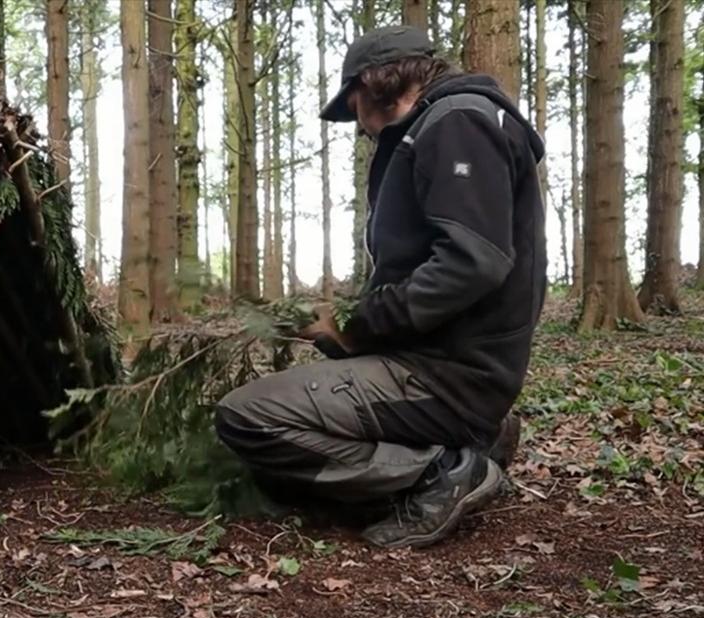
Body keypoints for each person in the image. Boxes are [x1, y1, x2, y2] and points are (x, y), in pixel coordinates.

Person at [214, 26, 546, 549]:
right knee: (282, 446)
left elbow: (473, 263)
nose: (359, 126)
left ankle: (442, 470)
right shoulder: (445, 123)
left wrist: (359, 323)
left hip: (448, 375)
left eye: (353, 107)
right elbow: (434, 268)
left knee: (248, 417)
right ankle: (473, 437)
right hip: (446, 362)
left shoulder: (458, 122)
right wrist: (347, 334)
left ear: (374, 83)